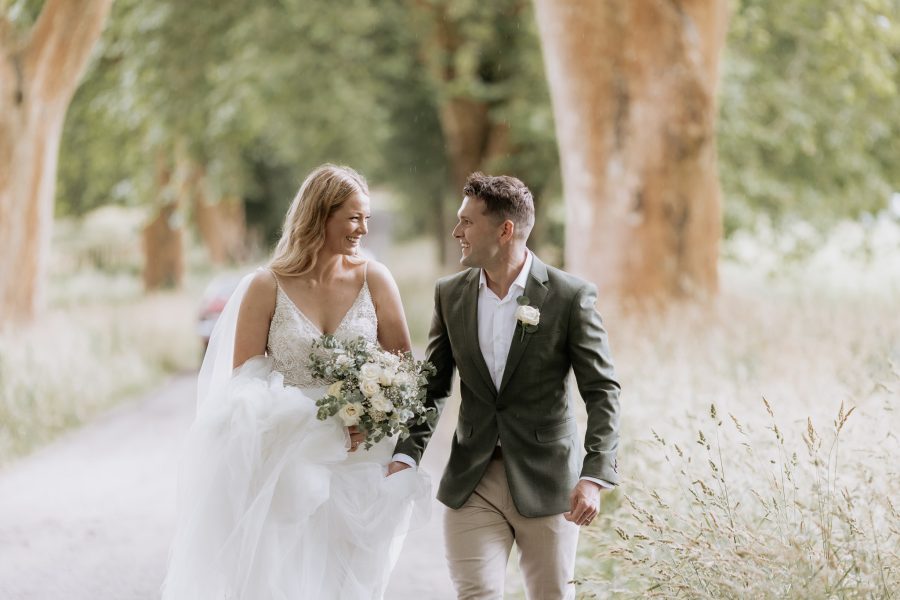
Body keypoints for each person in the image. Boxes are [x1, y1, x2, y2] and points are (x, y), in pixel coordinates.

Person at [162, 164, 430, 600]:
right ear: (320, 216)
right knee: (286, 581)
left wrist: (372, 412)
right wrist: (302, 425)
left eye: (367, 217)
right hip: (288, 461)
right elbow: (243, 384)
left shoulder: (375, 279)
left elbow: (405, 369)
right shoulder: (265, 287)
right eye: (354, 216)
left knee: (351, 582)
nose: (364, 227)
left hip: (361, 460)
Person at [388, 172, 621, 600]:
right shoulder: (450, 295)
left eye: (467, 222)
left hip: (549, 484)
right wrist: (406, 453)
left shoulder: (570, 297)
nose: (456, 231)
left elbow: (602, 390)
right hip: (472, 481)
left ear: (505, 229)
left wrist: (594, 475)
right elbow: (434, 385)